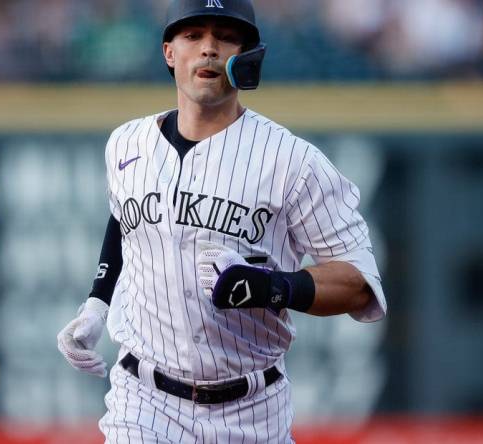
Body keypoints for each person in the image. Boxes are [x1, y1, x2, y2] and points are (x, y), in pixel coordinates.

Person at [57, 1, 387, 442]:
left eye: (225, 36)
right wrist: (98, 302)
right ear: (169, 53)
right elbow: (126, 218)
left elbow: (359, 282)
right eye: (193, 36)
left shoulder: (292, 162)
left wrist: (274, 287)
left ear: (248, 55)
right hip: (141, 402)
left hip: (252, 411)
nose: (208, 49)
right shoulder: (126, 143)